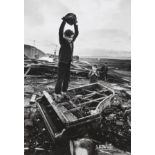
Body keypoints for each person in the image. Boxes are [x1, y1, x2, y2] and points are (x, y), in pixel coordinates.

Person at [54, 13, 79, 102]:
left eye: (72, 37)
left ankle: (64, 92)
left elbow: (77, 33)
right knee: (60, 79)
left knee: (67, 78)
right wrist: (64, 21)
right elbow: (60, 31)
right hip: (62, 63)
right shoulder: (63, 41)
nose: (72, 38)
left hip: (68, 62)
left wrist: (75, 24)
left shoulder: (71, 42)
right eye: (71, 37)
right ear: (66, 36)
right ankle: (57, 94)